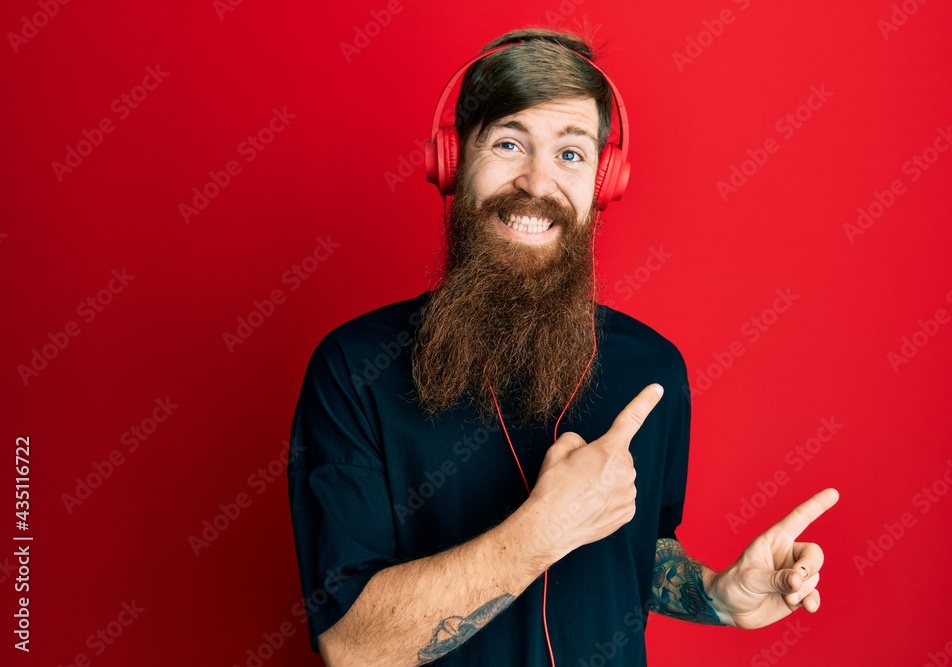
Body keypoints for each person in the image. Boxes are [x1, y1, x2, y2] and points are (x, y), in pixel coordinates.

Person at [287, 27, 838, 667]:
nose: (536, 181)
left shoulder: (653, 366)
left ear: (605, 183)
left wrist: (716, 595)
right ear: (452, 161)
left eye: (571, 154)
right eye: (508, 143)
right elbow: (352, 648)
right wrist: (541, 532)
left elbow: (646, 549)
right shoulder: (354, 369)